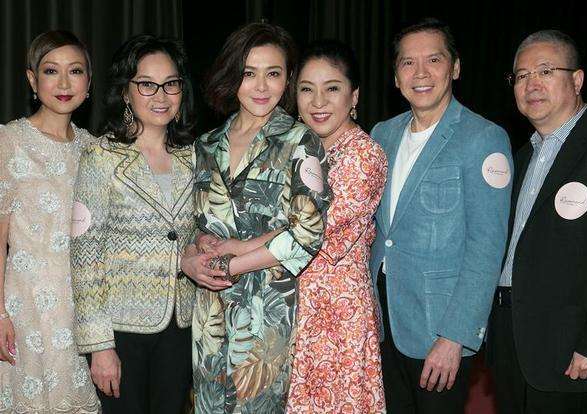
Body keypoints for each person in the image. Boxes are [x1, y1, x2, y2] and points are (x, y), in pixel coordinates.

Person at [179, 22, 331, 413]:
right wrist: (196, 250)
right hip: (209, 313)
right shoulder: (205, 145)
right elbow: (195, 223)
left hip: (267, 312)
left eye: (273, 74)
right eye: (249, 73)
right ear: (233, 76)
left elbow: (308, 233)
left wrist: (234, 262)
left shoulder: (300, 141)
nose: (262, 87)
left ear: (287, 80)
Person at [486, 29, 587, 414]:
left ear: (577, 79)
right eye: (521, 76)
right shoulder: (520, 157)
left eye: (545, 71)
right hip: (511, 342)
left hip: (572, 352)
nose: (531, 84)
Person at [369, 18, 513, 413]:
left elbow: (487, 246)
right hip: (381, 321)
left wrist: (455, 337)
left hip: (438, 328)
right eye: (407, 63)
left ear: (456, 67)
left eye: (433, 60)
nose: (420, 73)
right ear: (395, 77)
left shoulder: (483, 138)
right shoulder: (382, 135)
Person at [70, 35, 197, 414]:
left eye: (171, 84)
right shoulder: (100, 156)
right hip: (121, 330)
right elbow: (85, 255)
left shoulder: (194, 156)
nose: (161, 96)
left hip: (181, 324)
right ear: (126, 92)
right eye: (147, 84)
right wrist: (99, 346)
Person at [0, 30, 100, 413]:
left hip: (82, 310)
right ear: (32, 79)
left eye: (75, 71)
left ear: (88, 82)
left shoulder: (95, 149)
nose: (63, 84)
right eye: (50, 71)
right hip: (25, 308)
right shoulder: (9, 141)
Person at [287, 40, 387, 413]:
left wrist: (233, 254)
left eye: (332, 88)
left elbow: (310, 234)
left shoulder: (363, 155)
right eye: (306, 89)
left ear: (353, 96)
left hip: (336, 318)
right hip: (294, 310)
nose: (318, 102)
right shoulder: (299, 150)